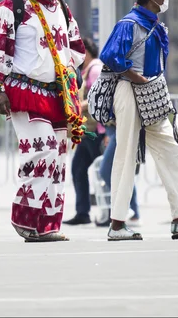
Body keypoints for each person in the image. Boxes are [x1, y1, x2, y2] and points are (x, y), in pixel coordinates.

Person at [99, 0, 178, 241]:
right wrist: (136, 77)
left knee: (173, 150)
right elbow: (110, 56)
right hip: (130, 90)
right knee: (126, 154)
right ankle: (117, 224)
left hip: (150, 92)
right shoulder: (129, 23)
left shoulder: (152, 23)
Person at [0, 0, 86, 242]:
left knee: (58, 157)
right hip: (24, 91)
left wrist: (75, 71)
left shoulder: (63, 8)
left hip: (58, 95)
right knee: (41, 149)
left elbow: (77, 49)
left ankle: (48, 225)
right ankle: (24, 216)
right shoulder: (11, 7)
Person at [64, 37, 105, 225]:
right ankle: (83, 213)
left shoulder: (95, 69)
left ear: (85, 52)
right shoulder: (87, 71)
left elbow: (100, 97)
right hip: (87, 130)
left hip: (97, 130)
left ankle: (124, 211)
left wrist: (78, 105)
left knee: (106, 171)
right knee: (79, 168)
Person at [96, 123, 141, 227]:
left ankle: (129, 210)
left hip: (119, 128)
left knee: (106, 171)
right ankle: (132, 212)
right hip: (112, 129)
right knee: (120, 172)